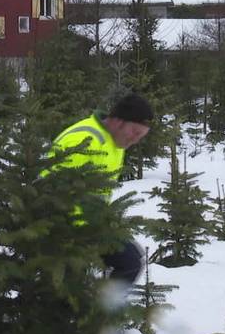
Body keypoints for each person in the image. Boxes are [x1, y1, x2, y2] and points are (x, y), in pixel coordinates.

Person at [48, 93, 154, 289]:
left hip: (91, 225)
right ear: (117, 121)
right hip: (63, 228)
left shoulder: (115, 143)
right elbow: (54, 190)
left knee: (132, 261)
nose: (135, 140)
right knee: (67, 288)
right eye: (135, 132)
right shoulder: (84, 140)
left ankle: (100, 312)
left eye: (140, 136)